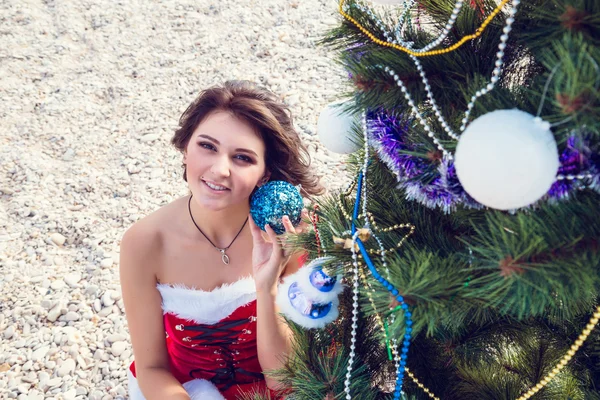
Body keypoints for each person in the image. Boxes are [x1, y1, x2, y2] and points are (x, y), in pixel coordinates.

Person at [120, 80, 324, 400]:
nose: (220, 170)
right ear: (185, 147)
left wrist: (266, 288)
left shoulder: (288, 234)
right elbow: (151, 368)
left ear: (265, 173)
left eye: (242, 157)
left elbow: (284, 380)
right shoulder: (144, 242)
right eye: (207, 146)